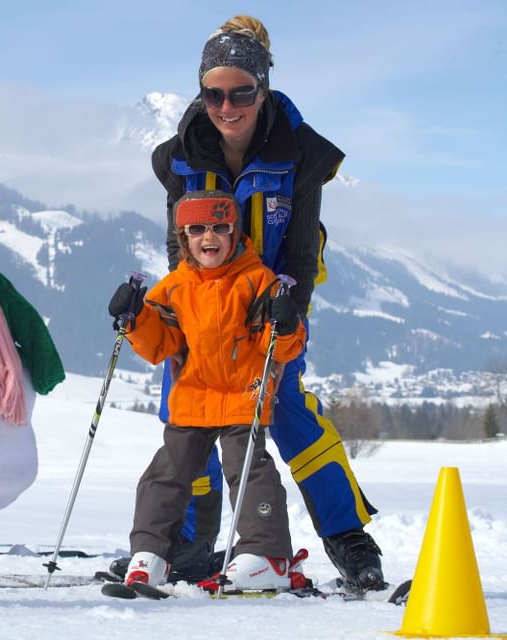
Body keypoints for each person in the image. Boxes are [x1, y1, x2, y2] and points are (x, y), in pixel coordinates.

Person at [150, 15, 384, 593]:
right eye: (214, 94)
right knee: (184, 417)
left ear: (263, 87)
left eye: (242, 93)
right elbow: (178, 249)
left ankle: (349, 539)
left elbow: (301, 255)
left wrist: (285, 323)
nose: (227, 107)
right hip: (201, 316)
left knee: (292, 417)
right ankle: (191, 544)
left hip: (270, 314)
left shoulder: (301, 155)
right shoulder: (180, 158)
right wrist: (169, 316)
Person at [108, 190, 307, 590]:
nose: (208, 237)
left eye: (219, 228)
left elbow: (283, 347)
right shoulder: (174, 287)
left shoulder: (256, 281)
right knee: (167, 472)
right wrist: (134, 318)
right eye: (197, 230)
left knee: (247, 468)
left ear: (234, 234)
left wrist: (285, 323)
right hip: (194, 397)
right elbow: (160, 345)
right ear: (184, 238)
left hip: (241, 396)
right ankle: (150, 553)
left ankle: (267, 555)